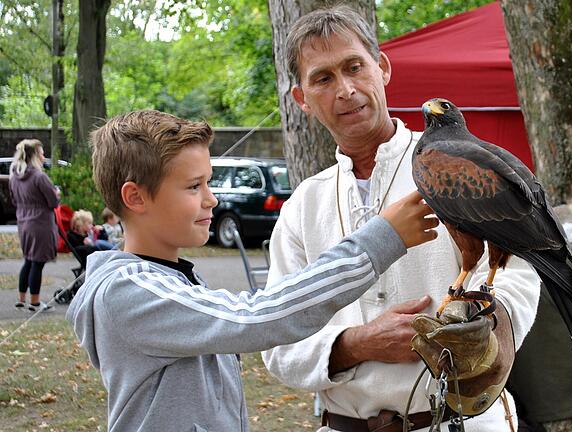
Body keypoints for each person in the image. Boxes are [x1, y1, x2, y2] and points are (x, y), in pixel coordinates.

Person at [65, 109, 438, 432]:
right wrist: (380, 239)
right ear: (135, 197)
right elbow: (257, 317)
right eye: (194, 186)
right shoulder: (129, 292)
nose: (211, 199)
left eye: (207, 182)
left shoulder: (174, 280)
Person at [261, 6, 541, 431]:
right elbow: (277, 341)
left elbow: (519, 273)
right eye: (323, 78)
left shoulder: (457, 165)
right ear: (302, 99)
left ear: (383, 68)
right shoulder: (303, 206)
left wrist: (489, 327)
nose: (346, 89)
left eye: (355, 67)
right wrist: (356, 344)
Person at [9, 139, 59, 312]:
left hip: (23, 222)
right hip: (40, 223)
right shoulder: (39, 177)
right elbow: (53, 202)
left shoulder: (14, 176)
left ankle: (21, 299)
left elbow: (14, 200)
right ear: (35, 156)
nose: (44, 156)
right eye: (42, 153)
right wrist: (57, 194)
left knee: (28, 261)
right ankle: (35, 303)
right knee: (37, 263)